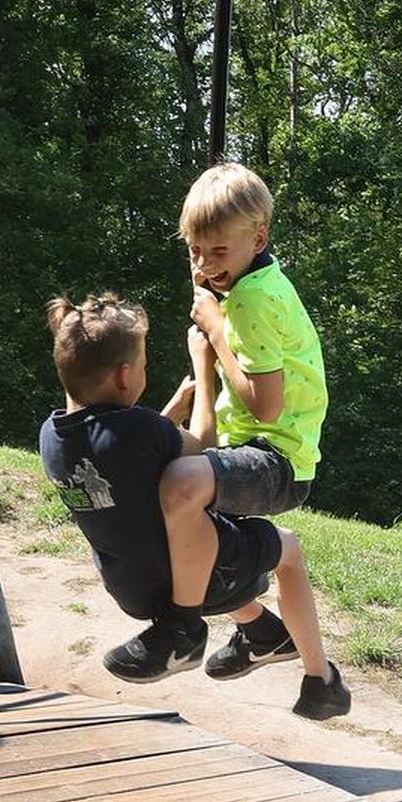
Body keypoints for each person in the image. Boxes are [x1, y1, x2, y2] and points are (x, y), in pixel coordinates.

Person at [39, 292, 349, 718]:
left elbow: (125, 459)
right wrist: (204, 371)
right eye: (144, 366)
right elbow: (202, 444)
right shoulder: (139, 430)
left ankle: (262, 633)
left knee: (194, 527)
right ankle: (322, 683)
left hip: (134, 589)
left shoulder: (52, 439)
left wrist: (168, 414)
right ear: (125, 376)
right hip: (189, 582)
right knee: (286, 549)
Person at [149, 163, 329, 678]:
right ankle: (262, 631)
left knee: (176, 488)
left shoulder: (249, 300)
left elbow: (265, 406)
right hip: (267, 451)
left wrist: (214, 329)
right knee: (187, 521)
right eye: (194, 251)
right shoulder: (259, 278)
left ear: (259, 237)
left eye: (218, 252)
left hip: (275, 461)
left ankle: (183, 630)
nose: (205, 266)